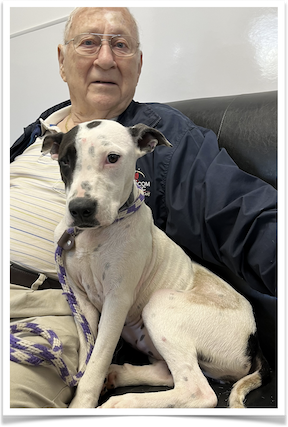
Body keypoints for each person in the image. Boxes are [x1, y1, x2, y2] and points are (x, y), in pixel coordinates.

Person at [10, 7, 277, 408]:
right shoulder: (38, 132)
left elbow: (247, 215)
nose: (105, 58)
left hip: (46, 305)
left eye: (120, 45)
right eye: (89, 42)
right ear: (62, 62)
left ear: (138, 64)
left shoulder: (165, 137)